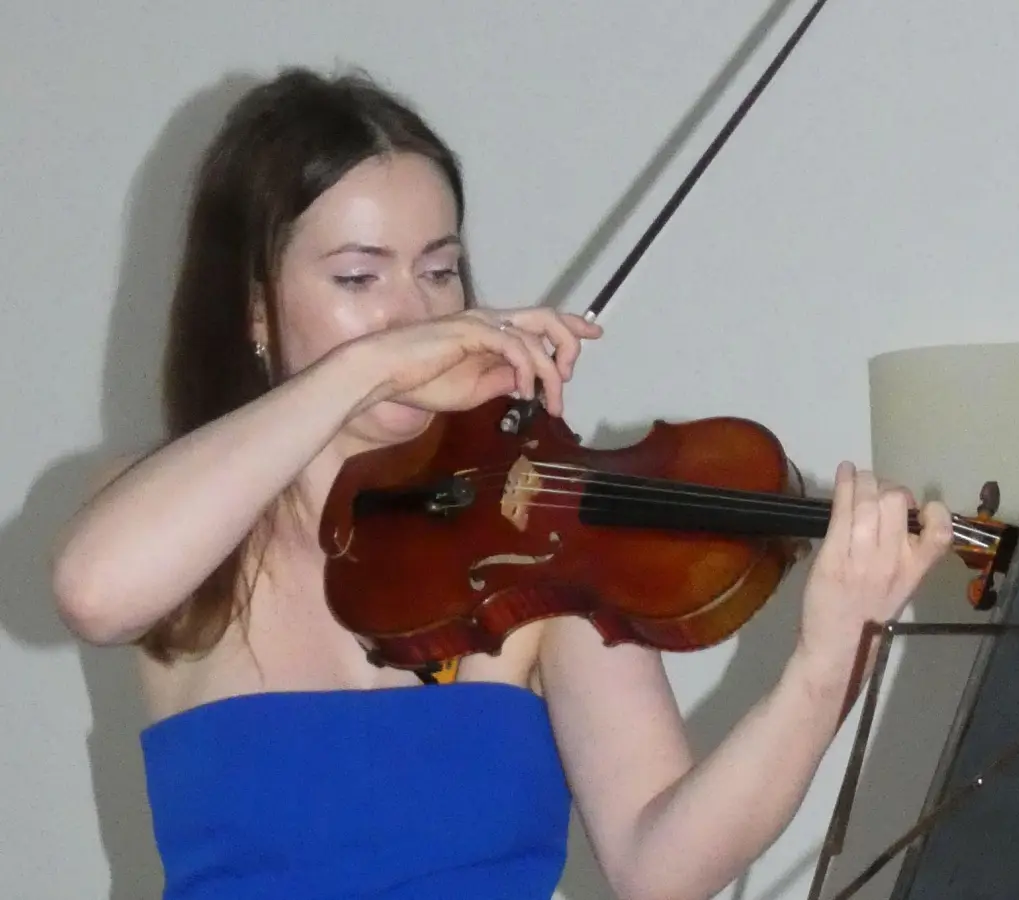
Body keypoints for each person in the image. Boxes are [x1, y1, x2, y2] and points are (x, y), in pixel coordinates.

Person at [50, 67, 954, 900]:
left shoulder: (529, 534)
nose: (415, 314)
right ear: (255, 306)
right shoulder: (177, 517)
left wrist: (825, 667)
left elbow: (661, 868)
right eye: (359, 277)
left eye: (439, 272)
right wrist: (365, 370)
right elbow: (94, 594)